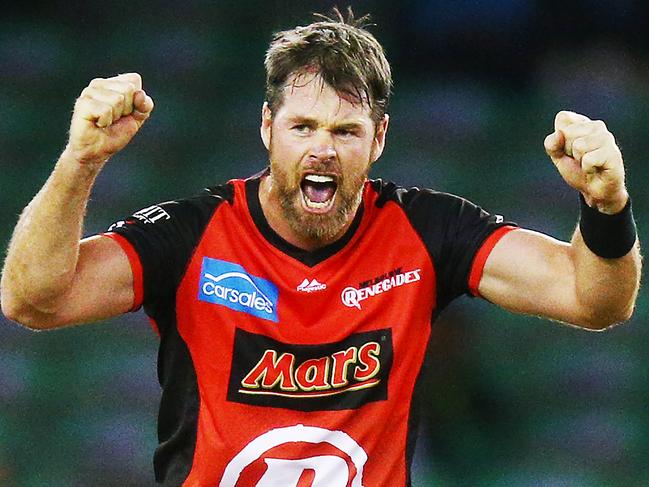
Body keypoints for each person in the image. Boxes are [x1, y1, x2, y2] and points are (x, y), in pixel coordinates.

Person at [0, 9, 641, 487]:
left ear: (380, 138)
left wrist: (606, 208)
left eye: (346, 130)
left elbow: (593, 300)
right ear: (266, 128)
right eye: (302, 126)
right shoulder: (190, 233)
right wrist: (80, 160)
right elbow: (32, 300)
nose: (322, 149)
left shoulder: (429, 231)